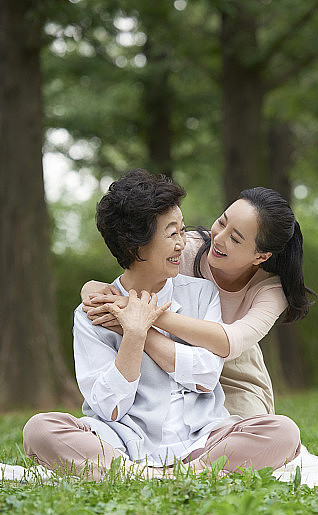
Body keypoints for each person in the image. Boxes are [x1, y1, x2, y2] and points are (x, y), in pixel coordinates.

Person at [22, 169, 301, 481]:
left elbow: (207, 376)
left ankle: (154, 473)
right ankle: (148, 472)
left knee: (283, 432)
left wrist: (141, 322)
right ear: (135, 247)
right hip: (122, 439)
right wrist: (132, 336)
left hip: (203, 432)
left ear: (261, 255)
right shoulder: (95, 313)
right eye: (172, 234)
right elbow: (109, 407)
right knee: (39, 430)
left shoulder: (206, 293)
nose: (183, 242)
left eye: (182, 231)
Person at [82, 186, 316, 417]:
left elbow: (229, 342)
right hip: (172, 351)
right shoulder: (185, 248)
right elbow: (135, 274)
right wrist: (93, 288)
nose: (219, 238)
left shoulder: (270, 290)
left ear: (261, 256)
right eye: (222, 222)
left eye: (235, 239)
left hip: (234, 366)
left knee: (259, 432)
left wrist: (143, 318)